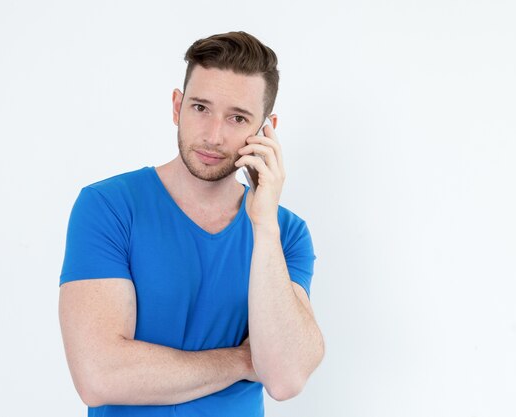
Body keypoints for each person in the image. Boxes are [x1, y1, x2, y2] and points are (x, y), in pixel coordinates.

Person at [58, 31, 324, 417]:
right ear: (176, 106)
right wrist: (243, 361)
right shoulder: (109, 207)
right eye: (200, 108)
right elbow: (99, 377)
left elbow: (284, 378)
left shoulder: (286, 232)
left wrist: (264, 225)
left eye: (237, 118)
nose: (213, 136)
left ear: (267, 129)